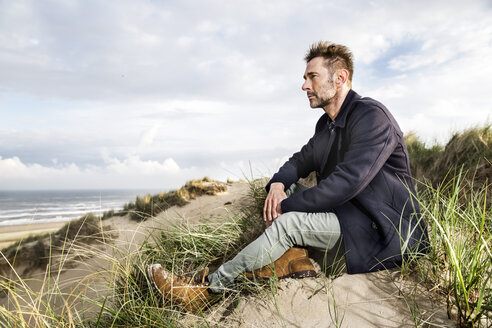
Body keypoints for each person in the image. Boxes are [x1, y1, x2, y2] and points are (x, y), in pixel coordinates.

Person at [147, 41, 429, 312]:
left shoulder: (371, 116)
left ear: (340, 78)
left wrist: (286, 207)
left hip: (381, 232)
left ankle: (207, 291)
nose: (304, 85)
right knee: (284, 190)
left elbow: (348, 182)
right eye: (305, 77)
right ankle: (294, 258)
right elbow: (299, 161)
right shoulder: (327, 125)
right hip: (347, 216)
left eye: (312, 77)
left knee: (288, 221)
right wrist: (278, 186)